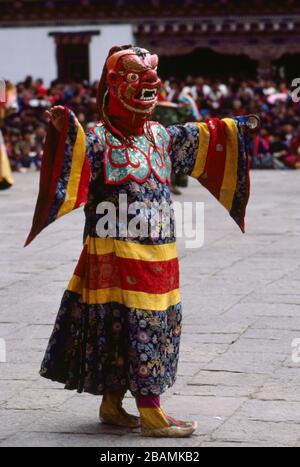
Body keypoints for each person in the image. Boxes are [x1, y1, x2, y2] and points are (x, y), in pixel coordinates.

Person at [26, 45, 255, 438]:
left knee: (139, 325)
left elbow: (201, 137)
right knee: (137, 325)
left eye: (151, 73)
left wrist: (235, 128)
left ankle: (112, 405)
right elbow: (73, 160)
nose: (149, 81)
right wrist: (65, 133)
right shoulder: (98, 139)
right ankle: (152, 413)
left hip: (160, 254)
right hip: (114, 252)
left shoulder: (160, 136)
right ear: (113, 85)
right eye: (135, 75)